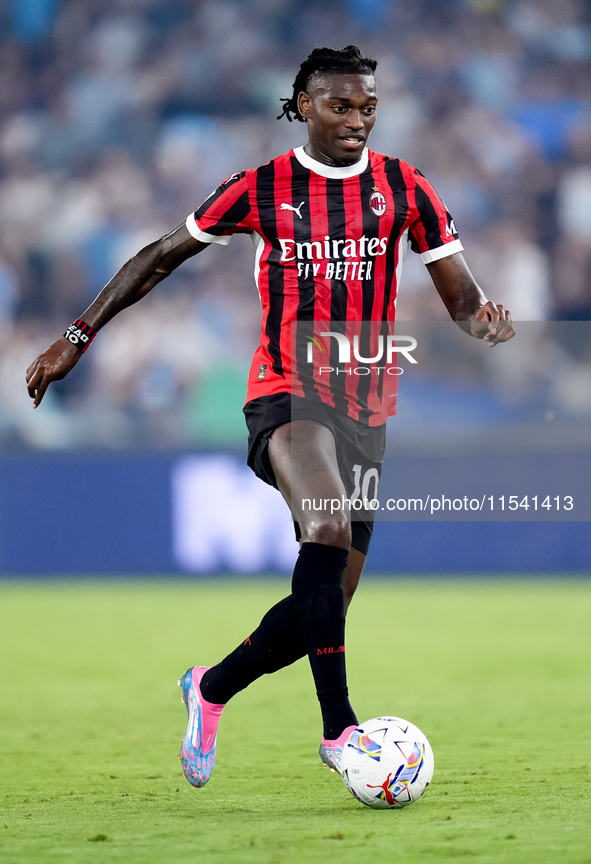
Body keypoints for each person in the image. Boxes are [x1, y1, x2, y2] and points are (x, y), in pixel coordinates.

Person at [26, 45, 515, 788]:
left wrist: (485, 323)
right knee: (324, 526)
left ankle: (210, 687)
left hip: (365, 406)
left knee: (322, 604)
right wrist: (76, 336)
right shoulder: (261, 188)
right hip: (285, 390)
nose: (357, 118)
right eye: (341, 105)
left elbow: (460, 298)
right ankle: (339, 730)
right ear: (305, 106)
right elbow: (158, 256)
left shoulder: (403, 187)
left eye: (368, 106)